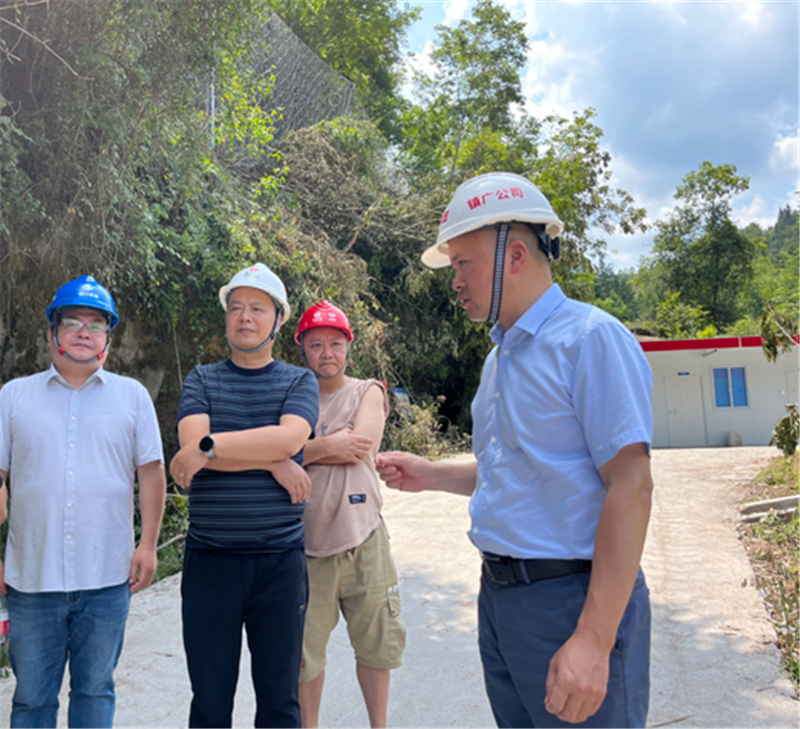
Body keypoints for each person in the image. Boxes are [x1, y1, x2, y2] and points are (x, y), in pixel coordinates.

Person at [376, 172, 654, 728]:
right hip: (502, 602)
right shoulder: (500, 358)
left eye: (464, 263)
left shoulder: (589, 339)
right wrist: (431, 474)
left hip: (572, 598)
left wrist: (594, 637)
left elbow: (631, 485)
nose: (456, 281)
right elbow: (516, 471)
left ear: (517, 254)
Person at [0, 275, 167, 729]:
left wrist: (148, 544)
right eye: (72, 321)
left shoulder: (132, 396)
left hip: (107, 577)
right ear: (51, 333)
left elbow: (151, 473)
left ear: (107, 340)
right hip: (32, 579)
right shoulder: (14, 396)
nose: (83, 332)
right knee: (31, 699)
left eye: (95, 324)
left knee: (95, 691)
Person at [170, 263, 319, 729]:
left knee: (279, 701)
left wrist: (214, 445)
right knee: (210, 701)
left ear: (279, 320)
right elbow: (191, 454)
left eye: (257, 308)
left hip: (279, 563)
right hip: (210, 562)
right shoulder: (202, 380)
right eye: (235, 308)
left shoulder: (298, 381)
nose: (245, 317)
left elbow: (289, 438)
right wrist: (272, 460)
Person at [293, 301, 405, 729]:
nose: (327, 353)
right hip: (307, 547)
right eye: (316, 344)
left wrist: (302, 452)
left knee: (377, 648)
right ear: (302, 349)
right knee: (304, 656)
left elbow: (361, 444)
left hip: (364, 539)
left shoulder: (367, 391)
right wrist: (328, 445)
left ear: (348, 348)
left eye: (335, 344)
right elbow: (273, 454)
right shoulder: (291, 398)